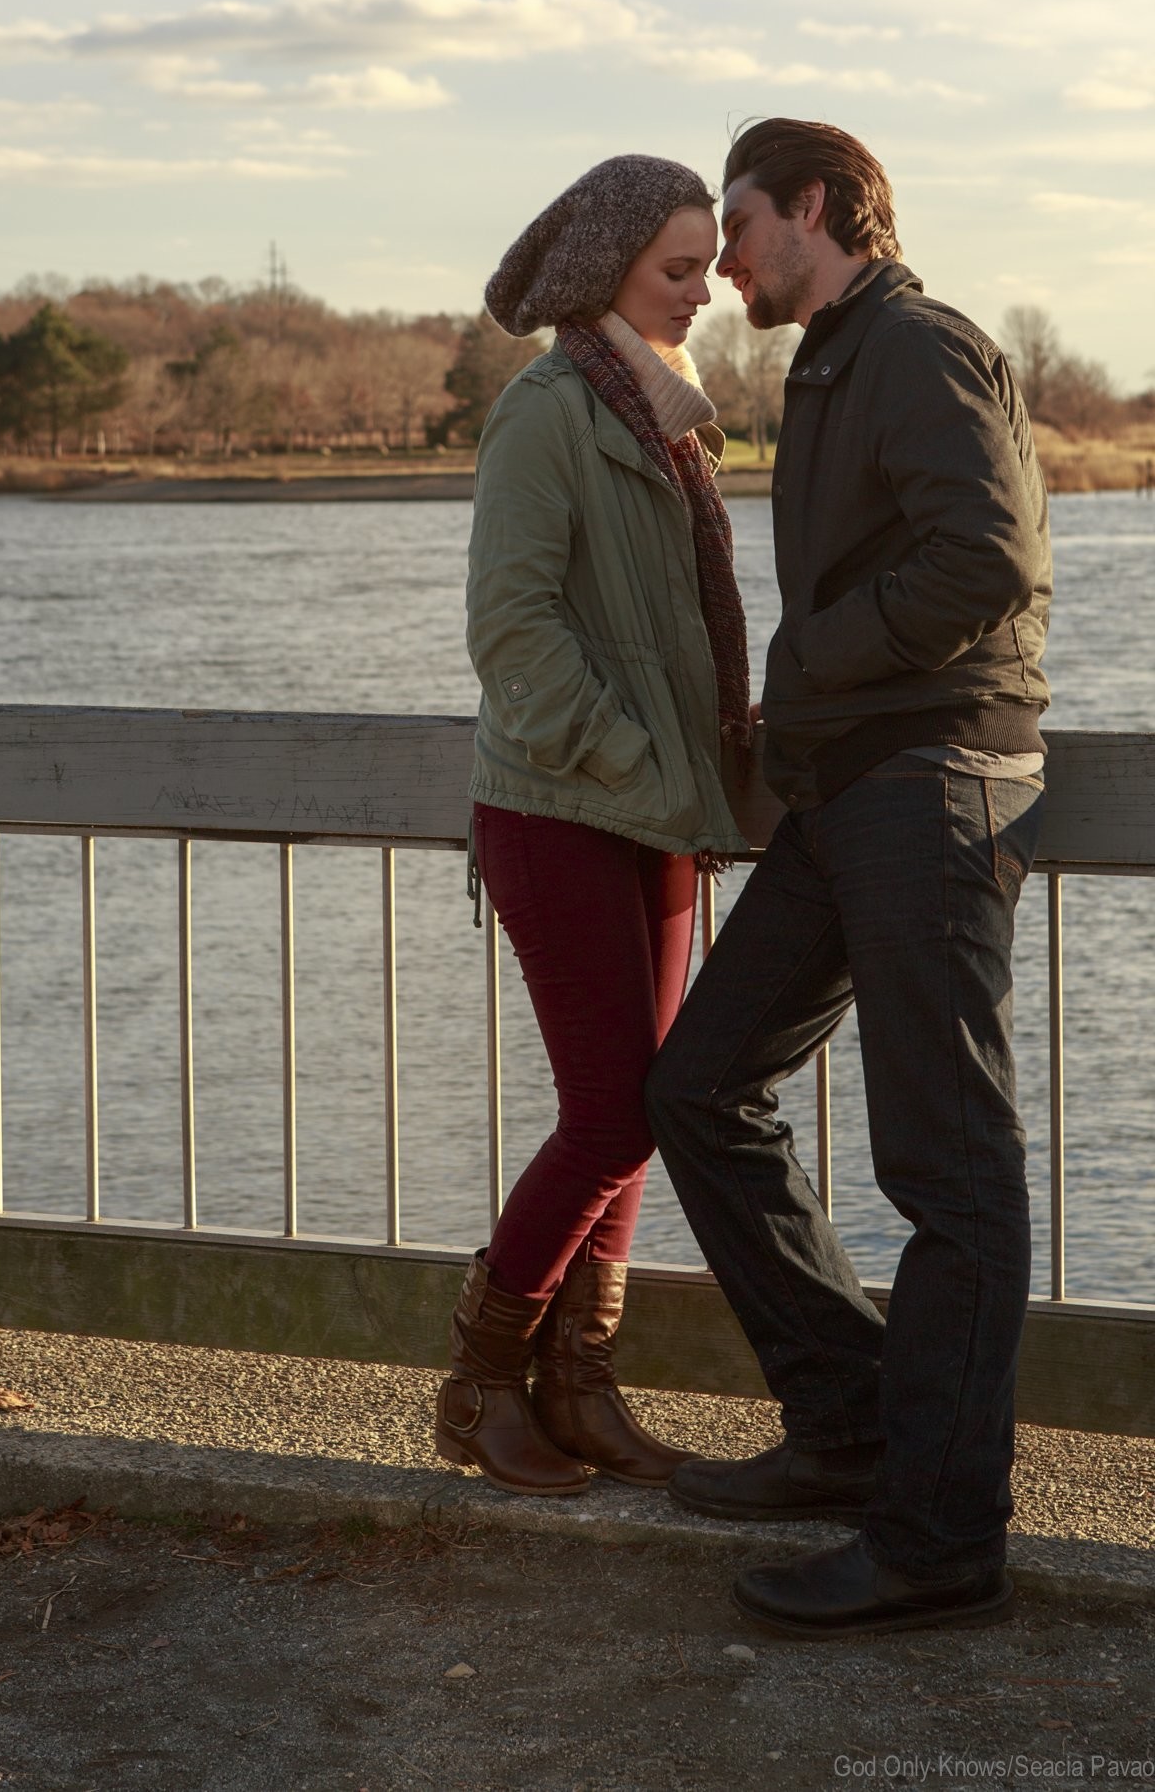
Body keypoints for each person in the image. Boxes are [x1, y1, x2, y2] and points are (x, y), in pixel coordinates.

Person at [644, 119, 1051, 1636]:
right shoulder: (828, 362)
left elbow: (987, 561)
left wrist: (812, 658)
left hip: (932, 781)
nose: (725, 255)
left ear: (818, 208)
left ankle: (941, 1539)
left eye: (741, 221)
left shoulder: (924, 347)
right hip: (848, 790)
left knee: (950, 1178)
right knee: (697, 1085)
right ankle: (854, 1427)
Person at [436, 155, 753, 1496]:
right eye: (678, 268)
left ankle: (581, 1386)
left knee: (654, 1101)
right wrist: (633, 760)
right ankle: (478, 1385)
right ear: (610, 265)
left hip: (661, 816)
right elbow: (511, 632)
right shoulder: (550, 408)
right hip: (563, 810)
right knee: (613, 1110)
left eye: (707, 266)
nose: (705, 291)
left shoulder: (666, 414)